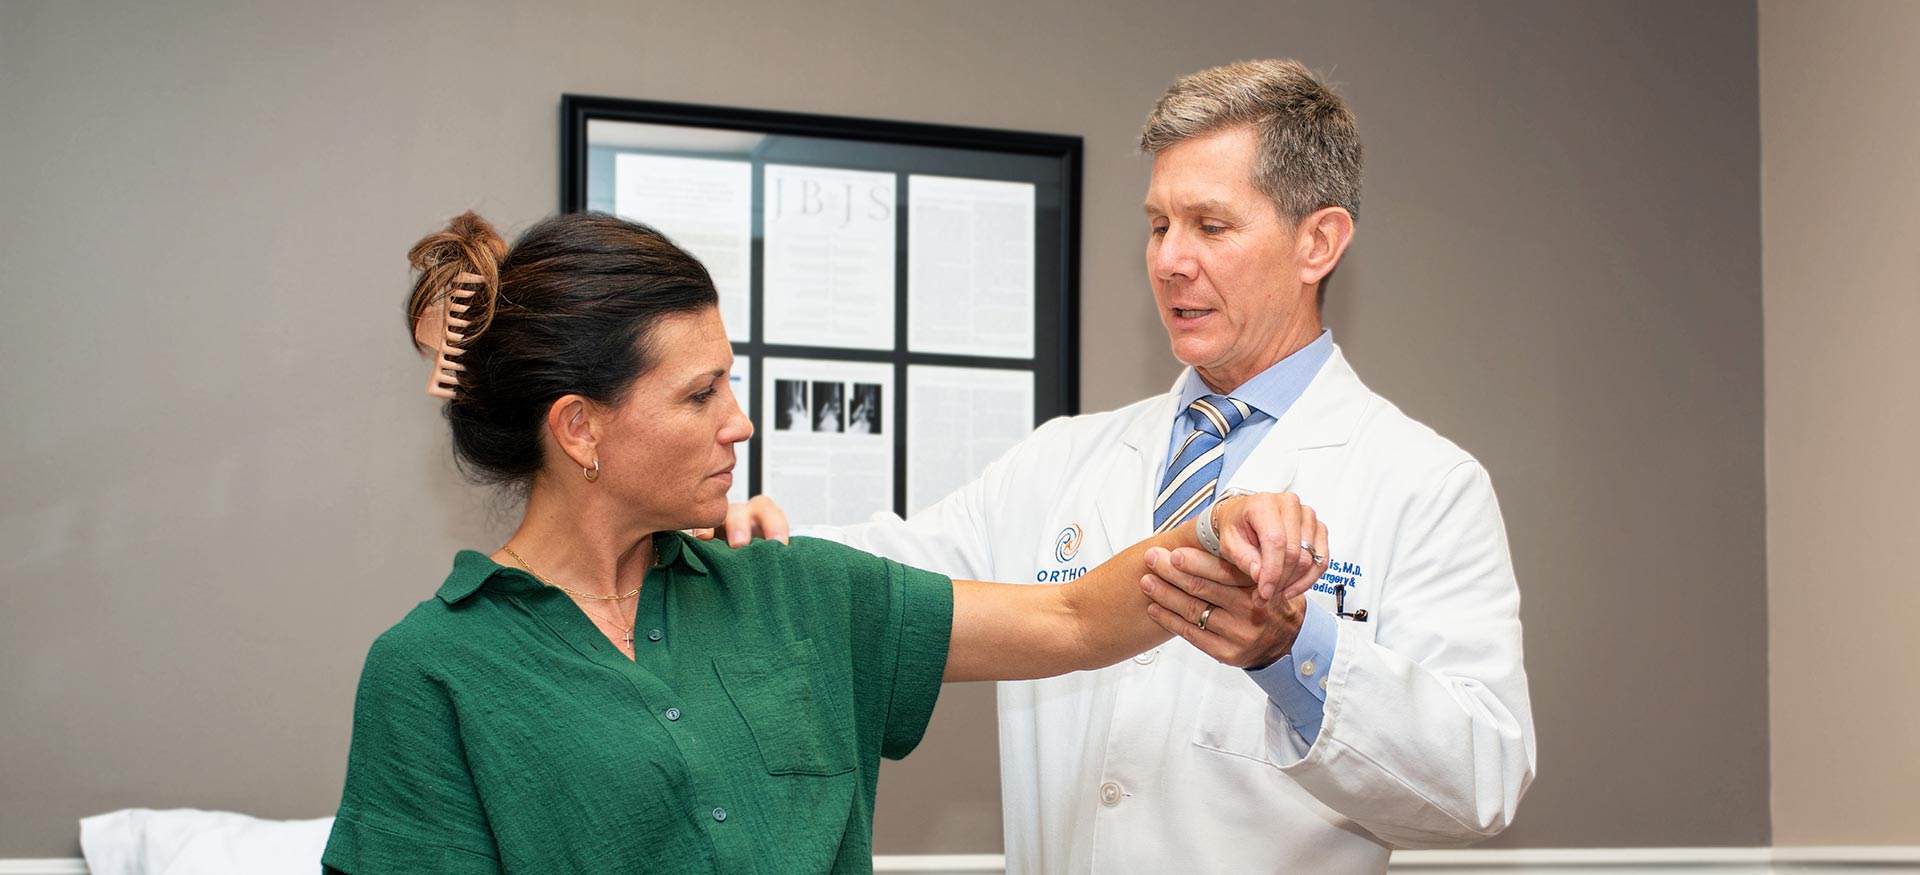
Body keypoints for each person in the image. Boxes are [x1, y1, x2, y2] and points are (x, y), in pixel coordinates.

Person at [320, 210, 1328, 874]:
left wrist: (1218, 521)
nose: (740, 421)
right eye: (698, 391)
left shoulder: (795, 592)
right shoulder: (435, 671)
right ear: (580, 427)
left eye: (732, 377)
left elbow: (1069, 616)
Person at [725, 59, 1536, 873]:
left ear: (1317, 242)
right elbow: (895, 580)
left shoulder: (1426, 484)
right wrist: (758, 548)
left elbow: (1482, 779)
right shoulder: (1060, 459)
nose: (1169, 260)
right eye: (1158, 225)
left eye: (1210, 227)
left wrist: (1291, 653)